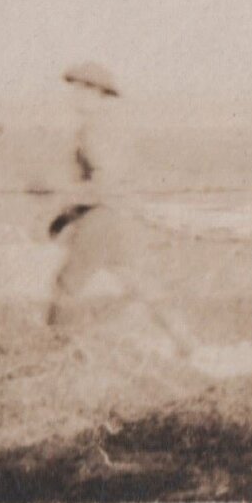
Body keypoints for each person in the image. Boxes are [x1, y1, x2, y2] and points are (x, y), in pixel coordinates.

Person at [46, 61, 195, 358]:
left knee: (66, 285)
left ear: (95, 91)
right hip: (125, 215)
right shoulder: (113, 123)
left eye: (78, 89)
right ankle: (185, 341)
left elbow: (105, 178)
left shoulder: (94, 128)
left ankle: (57, 350)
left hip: (103, 216)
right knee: (140, 282)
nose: (73, 96)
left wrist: (66, 211)